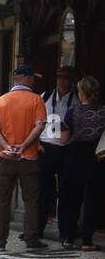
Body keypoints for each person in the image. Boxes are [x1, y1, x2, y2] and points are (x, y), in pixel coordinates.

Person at [0, 64, 48, 251]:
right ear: (26, 78)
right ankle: (31, 240)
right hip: (28, 158)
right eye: (33, 78)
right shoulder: (37, 100)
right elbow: (40, 125)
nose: (34, 81)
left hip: (6, 159)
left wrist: (6, 146)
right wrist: (25, 144)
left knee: (3, 201)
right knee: (31, 201)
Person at [58, 75, 105, 251]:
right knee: (92, 200)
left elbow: (63, 139)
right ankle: (87, 241)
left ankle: (69, 239)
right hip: (96, 159)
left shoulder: (72, 112)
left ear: (81, 93)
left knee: (72, 200)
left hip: (75, 157)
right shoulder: (103, 112)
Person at [40, 66, 76, 237]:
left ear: (72, 80)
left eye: (66, 77)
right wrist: (36, 144)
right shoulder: (44, 97)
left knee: (66, 193)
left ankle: (66, 231)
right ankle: (36, 230)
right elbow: (34, 122)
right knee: (42, 192)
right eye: (59, 76)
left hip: (67, 150)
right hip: (46, 149)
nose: (62, 81)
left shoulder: (77, 100)